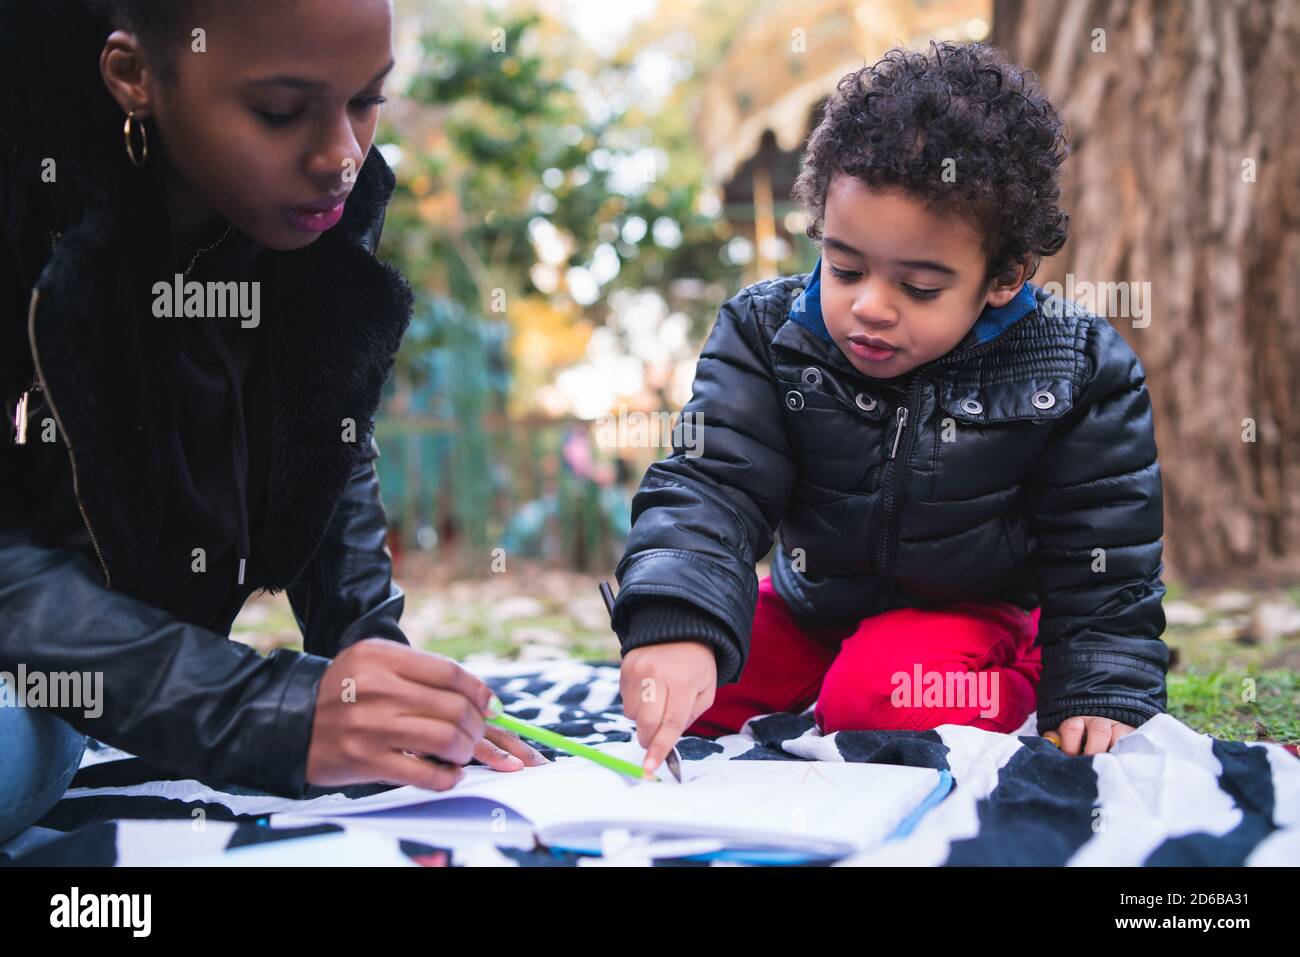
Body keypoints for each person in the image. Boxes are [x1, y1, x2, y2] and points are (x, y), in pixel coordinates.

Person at [0, 0, 545, 846]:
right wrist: (269, 713)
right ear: (133, 76)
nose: (341, 158)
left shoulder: (304, 214)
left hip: (58, 673)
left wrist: (381, 682)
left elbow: (322, 430)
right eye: (282, 111)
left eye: (367, 99)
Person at [611, 42, 1169, 775]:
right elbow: (714, 483)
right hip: (817, 603)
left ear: (1004, 275)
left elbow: (1103, 550)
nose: (869, 307)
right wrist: (677, 619)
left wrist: (1099, 680)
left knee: (876, 703)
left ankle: (1020, 664)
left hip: (973, 610)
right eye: (844, 267)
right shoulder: (765, 332)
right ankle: (829, 668)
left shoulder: (1078, 365)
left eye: (921, 286)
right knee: (698, 681)